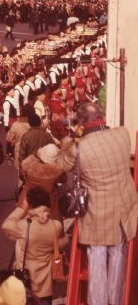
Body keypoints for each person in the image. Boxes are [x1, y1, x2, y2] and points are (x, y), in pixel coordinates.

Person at [56, 103, 138, 305]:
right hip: (123, 209)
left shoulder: (78, 148)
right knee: (118, 256)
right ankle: (116, 301)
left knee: (98, 260)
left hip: (97, 214)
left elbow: (59, 164)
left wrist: (72, 136)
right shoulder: (122, 134)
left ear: (81, 123)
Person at [2, 187, 68, 305]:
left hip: (25, 278)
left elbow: (6, 225)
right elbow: (60, 244)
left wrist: (22, 209)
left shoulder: (24, 226)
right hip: (46, 282)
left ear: (30, 204)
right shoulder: (56, 226)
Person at [18, 143, 66, 221]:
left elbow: (22, 174)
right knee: (51, 224)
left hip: (28, 197)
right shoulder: (57, 170)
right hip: (49, 201)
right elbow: (64, 179)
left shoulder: (29, 164)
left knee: (25, 223)